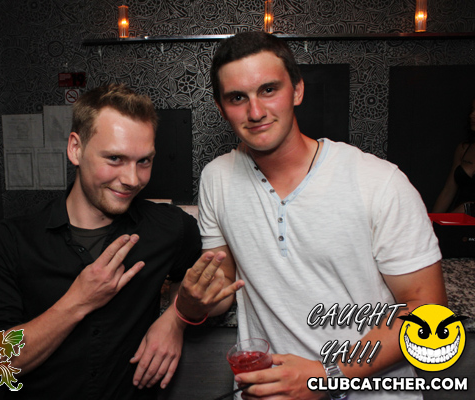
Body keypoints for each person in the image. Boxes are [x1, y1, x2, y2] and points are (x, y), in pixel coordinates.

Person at [174, 32, 447, 399]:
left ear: (297, 90)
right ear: (221, 108)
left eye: (268, 90)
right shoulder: (217, 179)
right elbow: (224, 282)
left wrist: (327, 376)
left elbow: (428, 311)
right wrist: (191, 304)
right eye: (237, 98)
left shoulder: (379, 182)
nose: (255, 112)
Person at [0, 84, 202, 400]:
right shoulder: (12, 240)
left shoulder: (169, 228)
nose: (132, 179)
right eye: (115, 158)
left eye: (144, 161)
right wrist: (78, 301)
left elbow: (201, 279)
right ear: (75, 149)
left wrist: (175, 321)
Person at [433, 99, 475, 215]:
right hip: (458, 221)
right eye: (472, 110)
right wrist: (431, 222)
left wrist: (469, 209)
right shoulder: (463, 149)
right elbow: (448, 191)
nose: (472, 115)